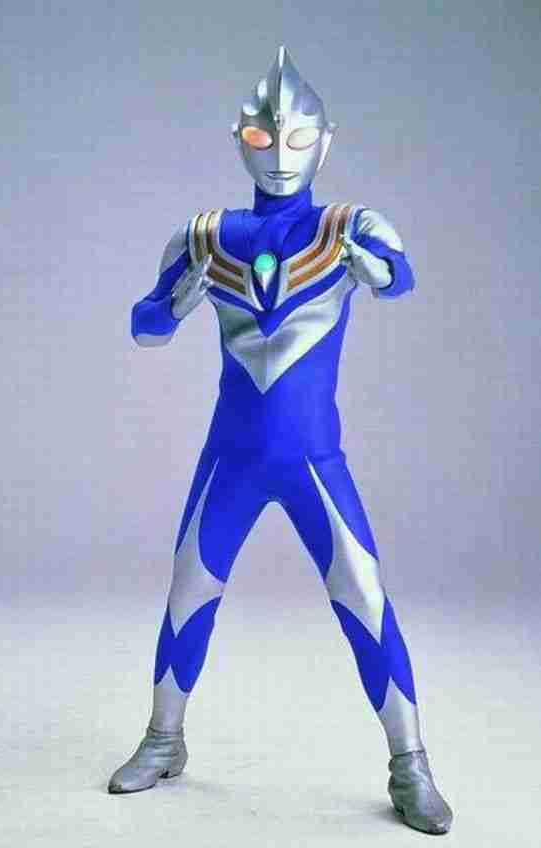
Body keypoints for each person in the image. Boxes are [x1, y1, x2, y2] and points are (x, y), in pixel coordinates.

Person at [108, 46, 453, 836]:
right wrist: (176, 301)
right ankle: (163, 739)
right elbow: (144, 326)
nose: (279, 154)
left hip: (312, 461)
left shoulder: (347, 226)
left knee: (363, 598)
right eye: (263, 138)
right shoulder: (205, 234)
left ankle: (411, 764)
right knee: (189, 592)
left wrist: (377, 268)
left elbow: (399, 277)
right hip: (230, 458)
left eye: (297, 138)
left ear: (326, 142)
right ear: (239, 140)